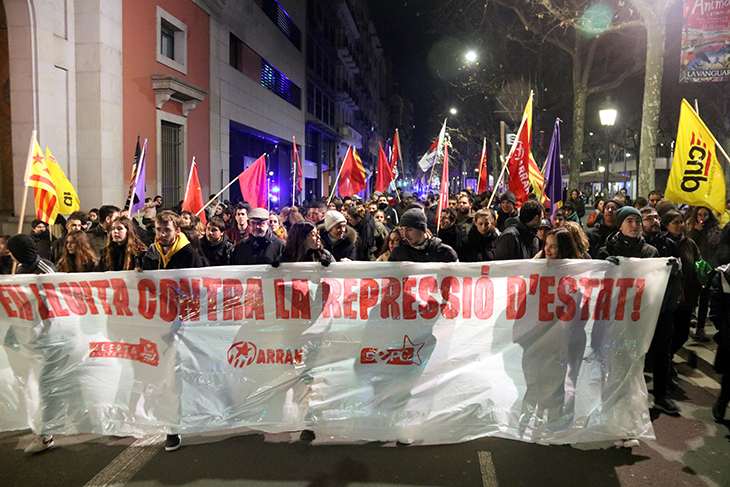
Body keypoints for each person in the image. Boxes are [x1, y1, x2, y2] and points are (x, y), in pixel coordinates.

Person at [141, 211, 203, 451]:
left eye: (166, 230)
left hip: (182, 325)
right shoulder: (152, 253)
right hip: (160, 323)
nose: (161, 235)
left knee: (175, 375)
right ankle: (172, 421)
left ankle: (173, 428)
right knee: (164, 374)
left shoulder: (189, 255)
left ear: (177, 231)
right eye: (158, 230)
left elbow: (197, 291)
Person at [6, 234, 57, 452]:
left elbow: (56, 304)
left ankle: (46, 433)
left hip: (43, 336)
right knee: (27, 381)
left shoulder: (46, 271)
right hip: (22, 334)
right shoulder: (20, 271)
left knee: (44, 384)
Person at [662, 209, 702, 368]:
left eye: (681, 222)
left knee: (682, 334)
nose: (680, 226)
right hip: (669, 298)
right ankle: (665, 364)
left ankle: (668, 357)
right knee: (667, 335)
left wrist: (706, 273)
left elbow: (698, 261)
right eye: (675, 223)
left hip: (687, 298)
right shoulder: (663, 243)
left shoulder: (689, 243)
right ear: (666, 225)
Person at [688, 205, 722, 342]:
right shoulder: (691, 227)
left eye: (705, 215)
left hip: (710, 267)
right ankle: (691, 319)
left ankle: (700, 328)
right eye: (700, 214)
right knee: (694, 297)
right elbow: (688, 243)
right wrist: (695, 231)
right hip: (696, 266)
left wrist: (717, 243)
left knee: (705, 298)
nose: (702, 218)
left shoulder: (715, 228)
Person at [388, 208, 457, 262]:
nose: (405, 235)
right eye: (402, 230)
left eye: (409, 230)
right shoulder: (399, 253)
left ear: (421, 229)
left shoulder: (444, 252)